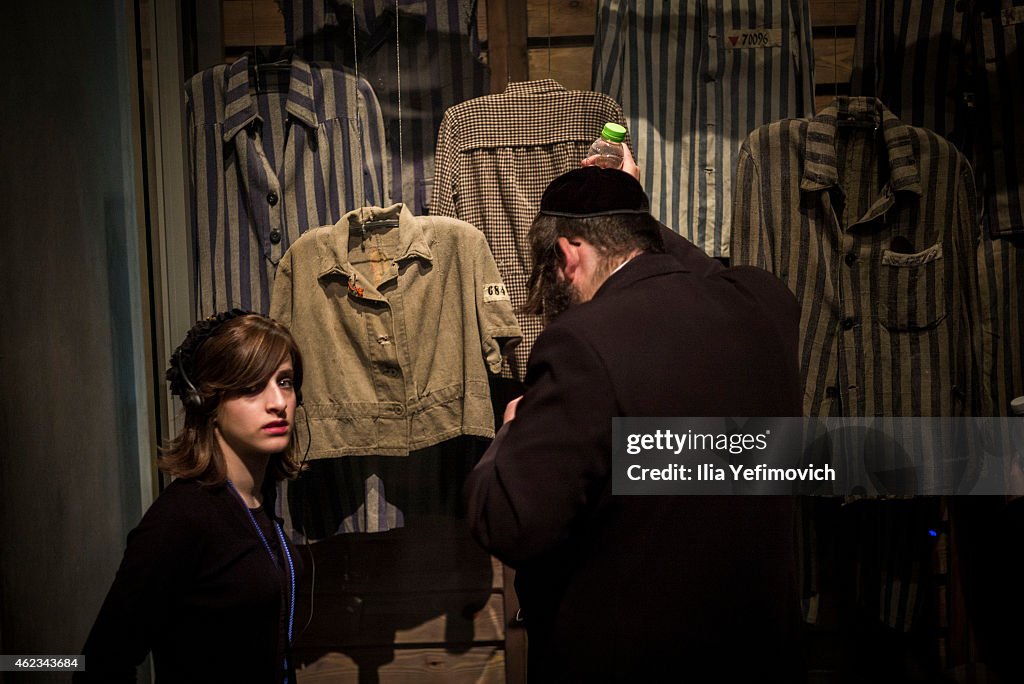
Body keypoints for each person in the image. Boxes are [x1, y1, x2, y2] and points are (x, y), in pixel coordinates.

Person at [464, 167, 806, 681]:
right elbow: (693, 272)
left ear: (567, 254)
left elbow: (508, 521)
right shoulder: (764, 305)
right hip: (760, 656)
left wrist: (513, 426)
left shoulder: (580, 343)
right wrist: (625, 204)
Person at [77, 310, 304, 683]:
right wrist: (15, 664)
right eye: (251, 387)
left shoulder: (258, 504)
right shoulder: (183, 518)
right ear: (207, 403)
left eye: (285, 381)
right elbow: (99, 660)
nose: (278, 402)